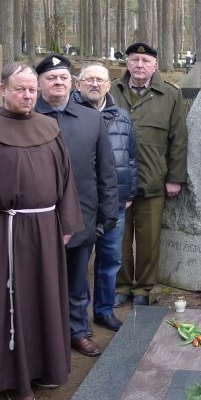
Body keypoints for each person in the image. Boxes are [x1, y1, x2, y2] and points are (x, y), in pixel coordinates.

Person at [0, 62, 83, 400]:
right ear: (3, 89)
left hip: (47, 228)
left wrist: (67, 223)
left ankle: (47, 367)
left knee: (46, 298)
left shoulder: (49, 127)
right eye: (20, 89)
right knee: (13, 304)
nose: (27, 96)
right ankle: (15, 377)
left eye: (31, 90)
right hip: (8, 229)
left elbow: (66, 178)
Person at [34, 54, 120, 358]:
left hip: (81, 219)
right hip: (36, 222)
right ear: (39, 83)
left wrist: (107, 217)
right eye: (50, 78)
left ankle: (78, 331)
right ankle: (43, 337)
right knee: (39, 282)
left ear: (71, 83)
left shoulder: (91, 119)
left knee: (76, 282)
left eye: (63, 78)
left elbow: (105, 171)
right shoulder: (27, 116)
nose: (58, 82)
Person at [111, 42, 188, 306]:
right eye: (134, 60)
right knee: (118, 237)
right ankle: (121, 285)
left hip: (153, 178)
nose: (139, 65)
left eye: (145, 60)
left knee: (148, 239)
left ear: (155, 65)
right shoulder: (111, 90)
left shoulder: (170, 94)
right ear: (127, 63)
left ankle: (143, 288)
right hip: (116, 181)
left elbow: (178, 138)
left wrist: (175, 177)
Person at [74, 62, 138, 331]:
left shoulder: (121, 116)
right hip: (81, 205)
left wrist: (129, 193)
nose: (95, 84)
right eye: (89, 79)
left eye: (100, 80)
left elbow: (131, 158)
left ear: (109, 86)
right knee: (79, 264)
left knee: (110, 260)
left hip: (115, 204)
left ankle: (104, 310)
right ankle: (77, 320)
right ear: (78, 85)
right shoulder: (70, 115)